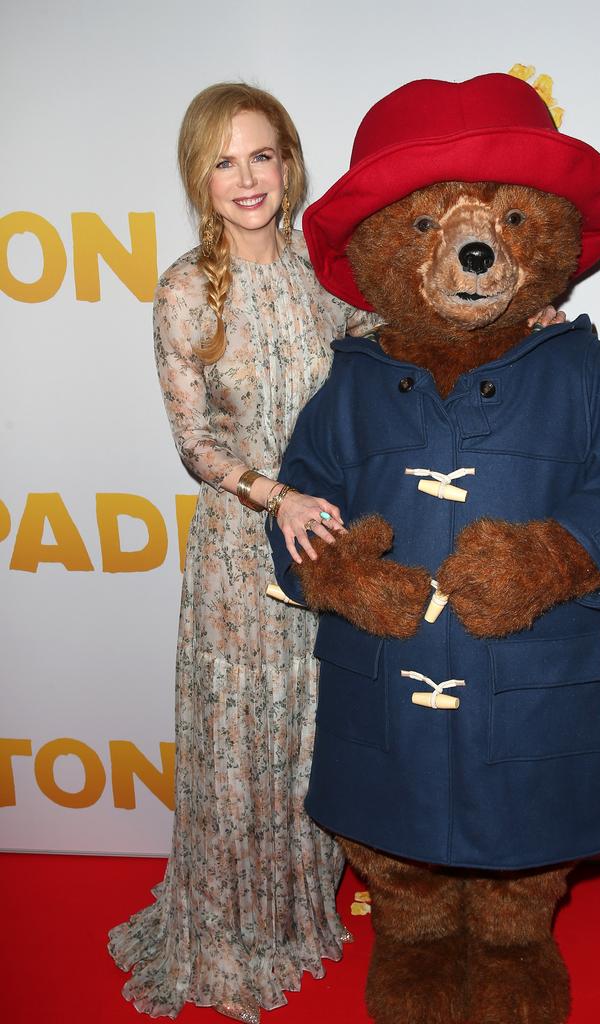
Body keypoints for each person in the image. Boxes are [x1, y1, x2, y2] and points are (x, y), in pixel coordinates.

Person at [107, 80, 564, 1022]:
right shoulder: (188, 288)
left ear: (290, 163)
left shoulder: (328, 281)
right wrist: (276, 496)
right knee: (240, 747)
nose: (247, 178)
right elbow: (195, 443)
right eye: (224, 159)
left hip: (334, 552)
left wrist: (525, 332)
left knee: (318, 735)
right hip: (246, 551)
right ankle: (233, 926)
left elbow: (406, 343)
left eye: (262, 155)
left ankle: (305, 908)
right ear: (200, 174)